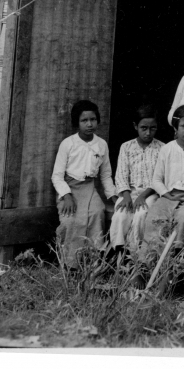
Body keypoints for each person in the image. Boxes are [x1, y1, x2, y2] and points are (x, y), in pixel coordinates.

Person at [51, 100, 117, 268]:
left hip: (90, 188)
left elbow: (106, 174)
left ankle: (91, 263)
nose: (89, 124)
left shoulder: (101, 144)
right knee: (71, 221)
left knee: (97, 213)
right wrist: (66, 196)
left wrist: (113, 196)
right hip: (69, 190)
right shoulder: (68, 144)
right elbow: (57, 176)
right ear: (77, 123)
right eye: (84, 120)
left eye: (93, 119)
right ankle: (69, 264)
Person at [140, 105, 184, 261]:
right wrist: (168, 196)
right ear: (176, 127)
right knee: (154, 219)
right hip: (169, 197)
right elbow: (156, 180)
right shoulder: (167, 149)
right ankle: (147, 263)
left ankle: (176, 262)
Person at [110, 105, 164, 253]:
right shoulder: (126, 147)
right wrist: (126, 195)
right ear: (135, 126)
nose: (148, 132)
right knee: (120, 215)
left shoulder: (162, 148)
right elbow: (121, 174)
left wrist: (143, 195)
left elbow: (160, 177)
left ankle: (136, 252)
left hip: (151, 193)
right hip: (129, 192)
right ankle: (119, 251)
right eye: (143, 128)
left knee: (141, 214)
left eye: (152, 128)